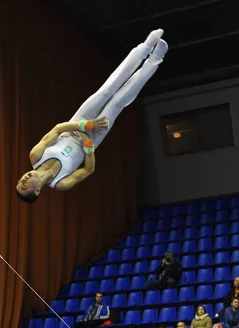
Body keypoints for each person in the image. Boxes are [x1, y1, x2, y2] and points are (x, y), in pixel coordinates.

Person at [16, 30, 167, 201]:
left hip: (78, 123)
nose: (23, 178)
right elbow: (88, 169)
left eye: (20, 180)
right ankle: (154, 60)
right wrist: (88, 146)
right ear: (36, 191)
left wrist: (85, 125)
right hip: (92, 139)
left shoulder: (36, 155)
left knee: (106, 90)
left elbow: (58, 129)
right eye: (23, 185)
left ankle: (144, 47)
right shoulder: (62, 183)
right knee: (117, 102)